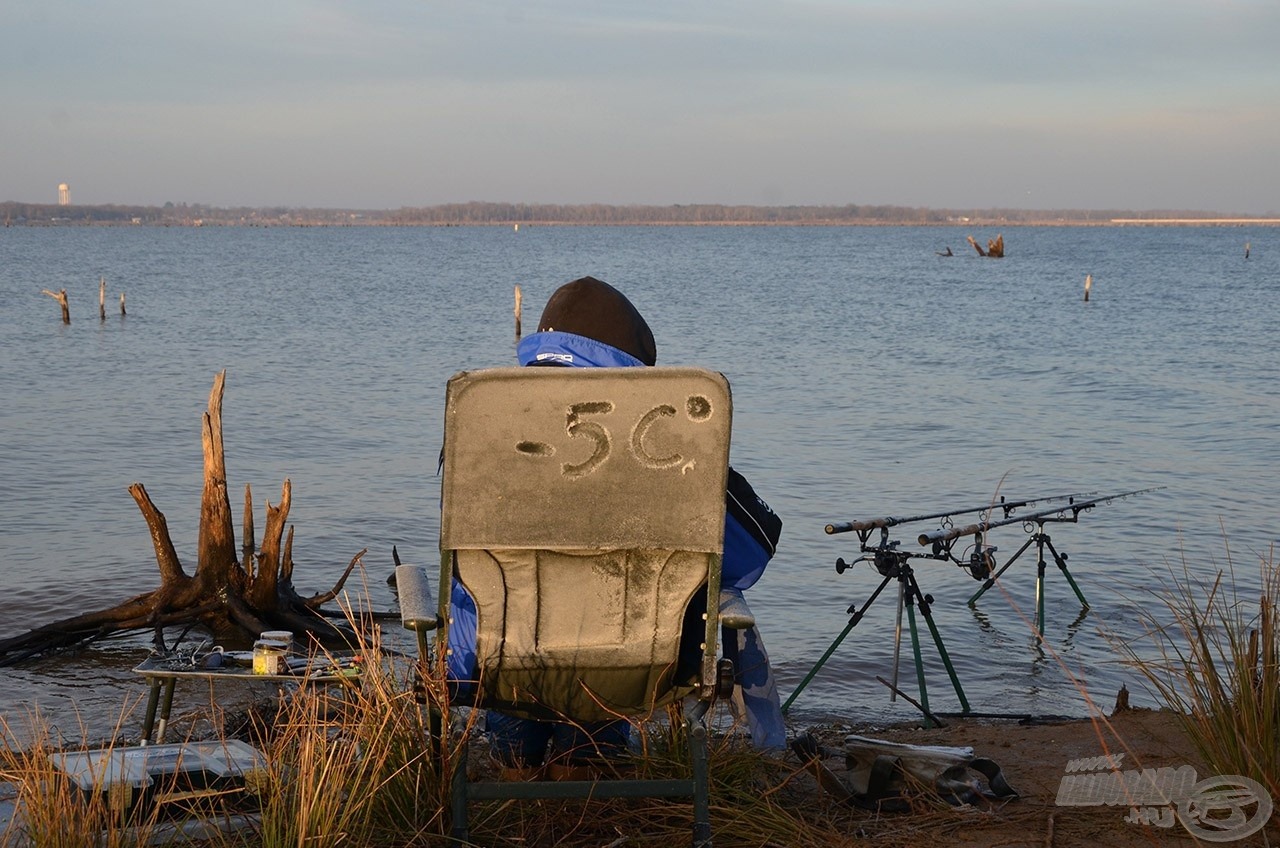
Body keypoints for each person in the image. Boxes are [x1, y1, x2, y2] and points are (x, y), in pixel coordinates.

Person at [446, 276, 785, 777]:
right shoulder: (664, 435)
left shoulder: (482, 420)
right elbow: (751, 552)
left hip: (496, 666)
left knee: (506, 605)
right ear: (632, 367)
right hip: (635, 669)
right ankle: (591, 762)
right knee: (683, 603)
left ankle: (516, 761)